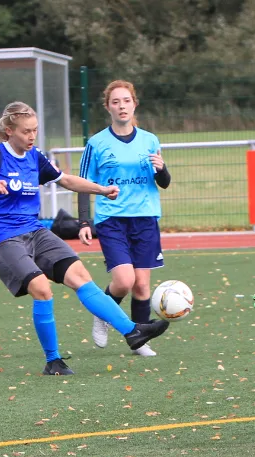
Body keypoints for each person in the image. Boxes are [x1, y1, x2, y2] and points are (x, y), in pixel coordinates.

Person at [0, 101, 170, 376]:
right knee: (41, 288)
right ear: (10, 131)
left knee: (79, 274)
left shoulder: (35, 156)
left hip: (33, 230)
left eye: (35, 130)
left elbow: (67, 180)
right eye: (26, 131)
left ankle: (132, 332)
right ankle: (53, 361)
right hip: (1, 235)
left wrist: (101, 190)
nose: (32, 136)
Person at [78, 80, 171, 357]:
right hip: (112, 219)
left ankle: (140, 340)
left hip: (145, 218)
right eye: (116, 102)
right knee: (124, 281)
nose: (122, 106)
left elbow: (164, 182)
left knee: (141, 285)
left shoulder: (150, 140)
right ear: (108, 107)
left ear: (134, 104)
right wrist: (84, 221)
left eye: (126, 101)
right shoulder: (96, 143)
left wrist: (162, 169)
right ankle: (103, 313)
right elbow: (82, 184)